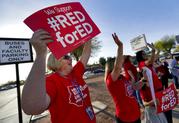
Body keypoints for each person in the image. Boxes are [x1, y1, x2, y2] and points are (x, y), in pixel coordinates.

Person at [21, 29, 96, 123]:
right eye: (66, 57)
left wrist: (88, 36)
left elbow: (86, 53)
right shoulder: (51, 81)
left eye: (70, 57)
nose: (71, 59)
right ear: (56, 60)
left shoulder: (75, 73)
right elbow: (32, 108)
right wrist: (40, 55)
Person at [105, 33, 141, 123]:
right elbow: (117, 67)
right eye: (119, 61)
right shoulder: (110, 79)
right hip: (125, 117)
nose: (121, 63)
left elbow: (133, 88)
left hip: (136, 114)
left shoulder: (122, 77)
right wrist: (120, 45)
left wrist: (143, 80)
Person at [136, 45, 168, 123]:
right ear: (140, 57)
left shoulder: (147, 64)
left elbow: (154, 59)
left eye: (145, 53)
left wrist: (158, 51)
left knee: (162, 112)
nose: (146, 55)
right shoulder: (141, 63)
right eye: (143, 54)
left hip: (157, 90)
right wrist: (153, 51)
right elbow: (151, 60)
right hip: (153, 92)